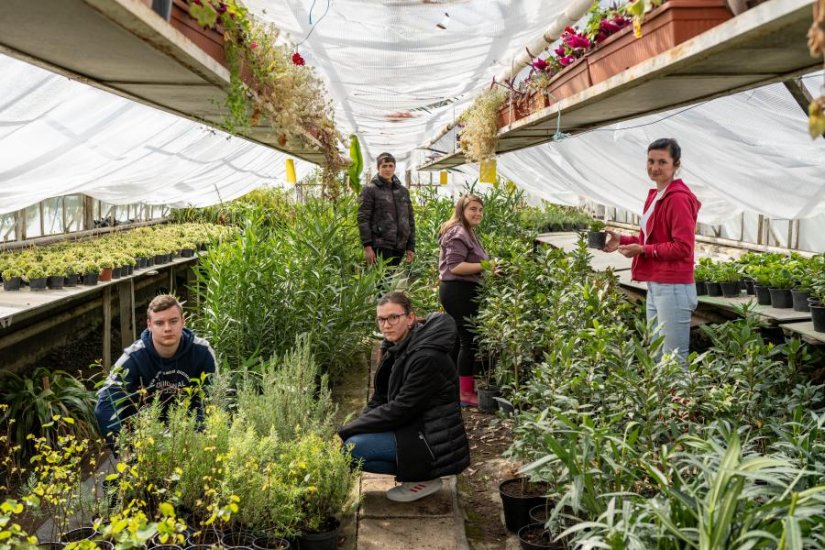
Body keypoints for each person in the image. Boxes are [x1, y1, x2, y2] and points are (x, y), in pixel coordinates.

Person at [338, 292, 470, 502]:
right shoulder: (397, 347)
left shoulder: (426, 357)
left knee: (354, 449)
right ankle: (416, 472)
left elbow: (401, 408)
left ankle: (424, 478)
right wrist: (359, 423)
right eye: (381, 319)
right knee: (351, 439)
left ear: (410, 318)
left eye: (393, 317)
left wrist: (346, 431)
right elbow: (380, 398)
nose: (386, 325)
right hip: (415, 426)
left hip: (432, 440)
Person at [604, 138, 701, 362]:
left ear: (676, 165)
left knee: (674, 358)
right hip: (659, 284)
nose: (654, 168)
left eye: (662, 162)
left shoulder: (677, 198)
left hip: (674, 287)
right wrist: (623, 240)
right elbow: (652, 238)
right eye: (650, 161)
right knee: (657, 353)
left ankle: (678, 398)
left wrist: (643, 250)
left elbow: (682, 248)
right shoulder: (659, 195)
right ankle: (662, 397)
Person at [95, 294, 217, 446]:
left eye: (173, 321)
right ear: (149, 325)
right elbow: (105, 407)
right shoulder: (132, 358)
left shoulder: (202, 352)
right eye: (159, 323)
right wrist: (124, 449)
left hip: (190, 438)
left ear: (183, 321)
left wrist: (197, 440)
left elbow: (213, 400)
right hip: (144, 442)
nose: (167, 328)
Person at [438, 194, 489, 407]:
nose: (477, 213)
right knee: (469, 340)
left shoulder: (467, 231)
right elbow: (455, 267)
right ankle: (465, 393)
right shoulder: (458, 232)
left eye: (480, 210)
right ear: (462, 211)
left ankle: (456, 387)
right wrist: (487, 266)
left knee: (460, 339)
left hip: (461, 290)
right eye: (473, 209)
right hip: (458, 291)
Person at [357, 152, 416, 267]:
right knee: (381, 282)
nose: (387, 169)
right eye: (384, 166)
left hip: (400, 246)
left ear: (394, 168)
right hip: (380, 245)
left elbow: (410, 220)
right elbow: (363, 219)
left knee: (389, 281)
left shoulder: (403, 191)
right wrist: (367, 247)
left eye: (390, 166)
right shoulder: (370, 190)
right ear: (378, 168)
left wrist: (410, 247)